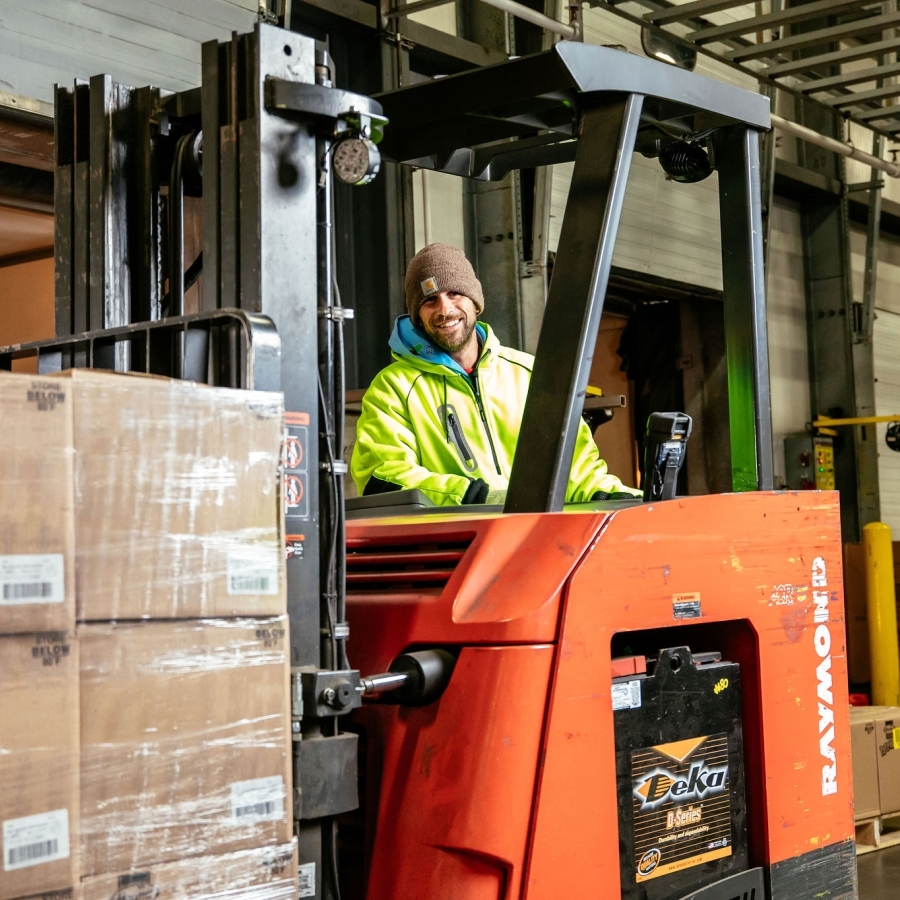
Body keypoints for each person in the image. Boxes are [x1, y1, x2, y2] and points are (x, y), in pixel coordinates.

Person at [350, 243, 640, 506]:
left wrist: (616, 497)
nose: (445, 309)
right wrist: (475, 497)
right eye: (429, 301)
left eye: (454, 293)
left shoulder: (531, 375)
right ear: (417, 316)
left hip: (536, 540)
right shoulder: (393, 389)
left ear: (475, 301)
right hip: (454, 547)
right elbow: (383, 476)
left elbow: (577, 469)